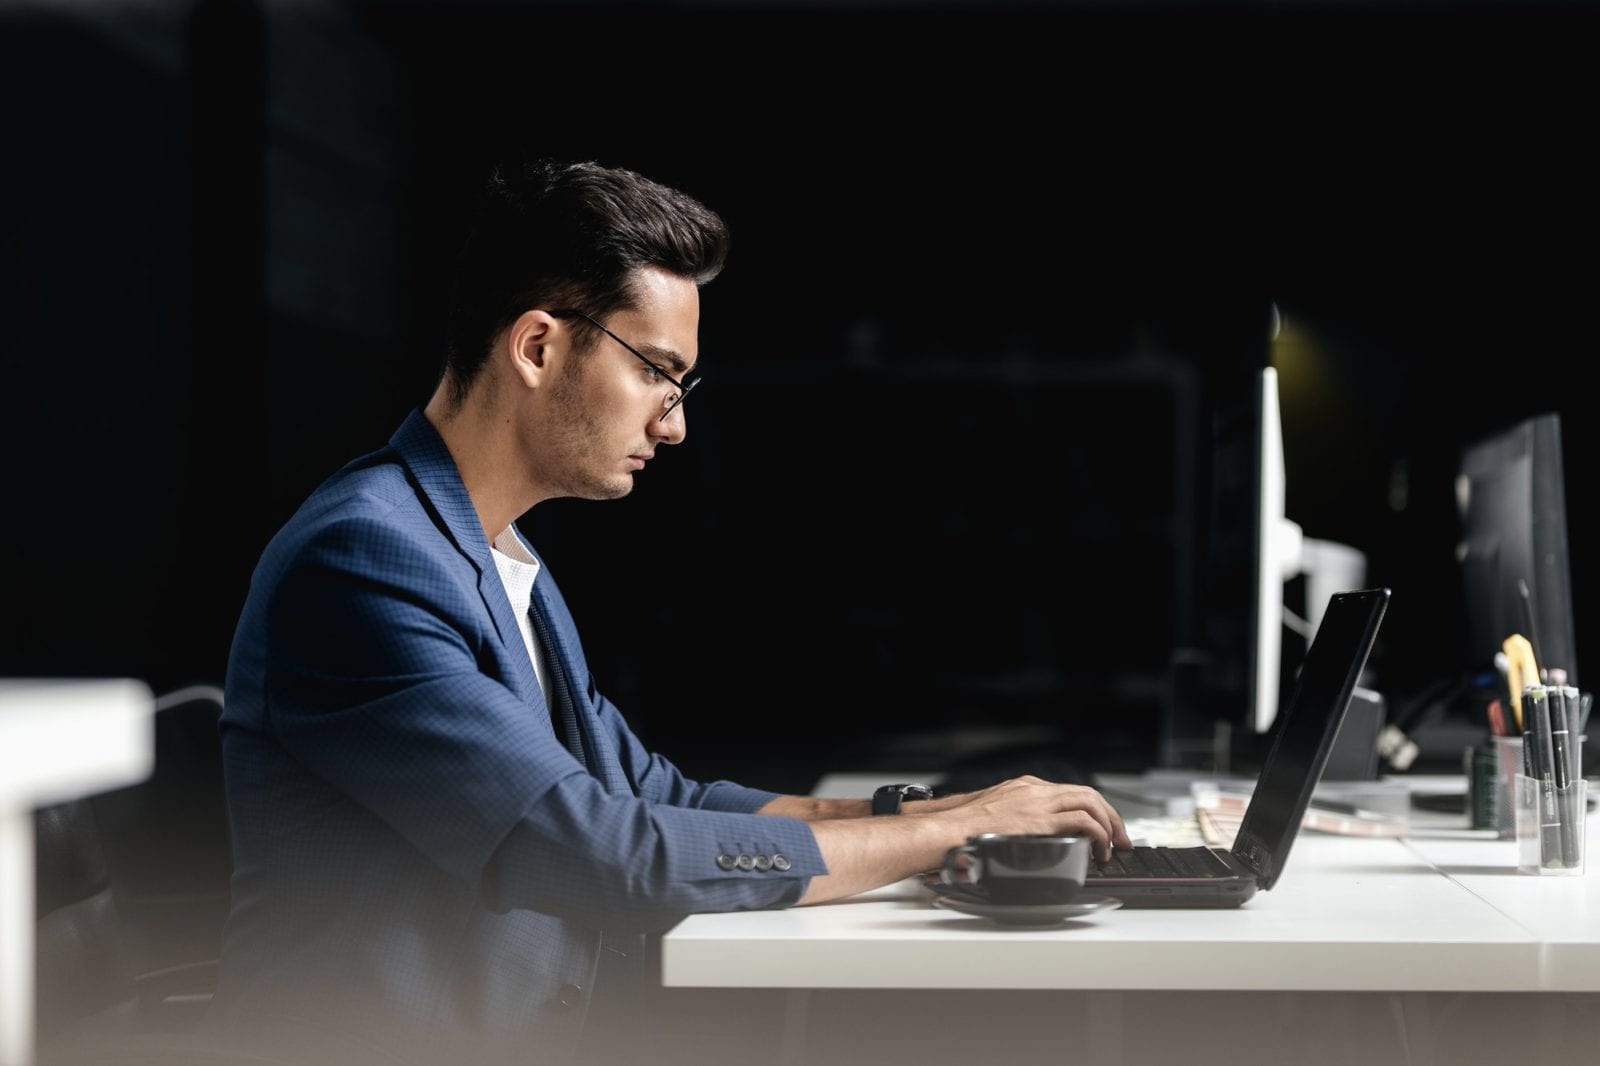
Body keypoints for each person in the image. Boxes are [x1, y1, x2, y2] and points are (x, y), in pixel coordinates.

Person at [204, 158, 1129, 1066]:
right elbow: (603, 852)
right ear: (537, 347)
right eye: (657, 372)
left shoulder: (494, 551)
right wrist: (945, 836)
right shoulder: (364, 562)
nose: (674, 422)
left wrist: (932, 809)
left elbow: (655, 796)